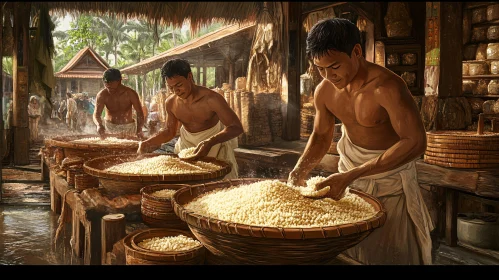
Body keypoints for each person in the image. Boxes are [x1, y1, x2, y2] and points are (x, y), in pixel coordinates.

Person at [287, 18, 434, 265]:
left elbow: (416, 142)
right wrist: (299, 170)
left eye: (334, 66)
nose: (327, 75)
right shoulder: (324, 90)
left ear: (356, 52)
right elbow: (322, 136)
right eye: (320, 69)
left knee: (392, 253)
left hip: (390, 183)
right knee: (350, 255)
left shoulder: (387, 87)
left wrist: (351, 175)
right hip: (349, 183)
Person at [137, 58, 243, 179]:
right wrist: (148, 142)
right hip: (186, 148)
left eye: (179, 85)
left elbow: (236, 127)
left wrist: (209, 142)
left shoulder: (212, 99)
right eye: (170, 87)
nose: (175, 91)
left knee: (217, 187)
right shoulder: (171, 103)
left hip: (215, 147)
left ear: (189, 76)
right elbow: (169, 131)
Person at [93, 68, 145, 138]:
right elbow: (96, 114)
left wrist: (139, 129)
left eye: (111, 84)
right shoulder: (102, 95)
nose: (109, 86)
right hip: (110, 127)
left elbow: (139, 113)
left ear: (119, 80)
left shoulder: (130, 93)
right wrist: (99, 125)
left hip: (128, 127)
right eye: (106, 84)